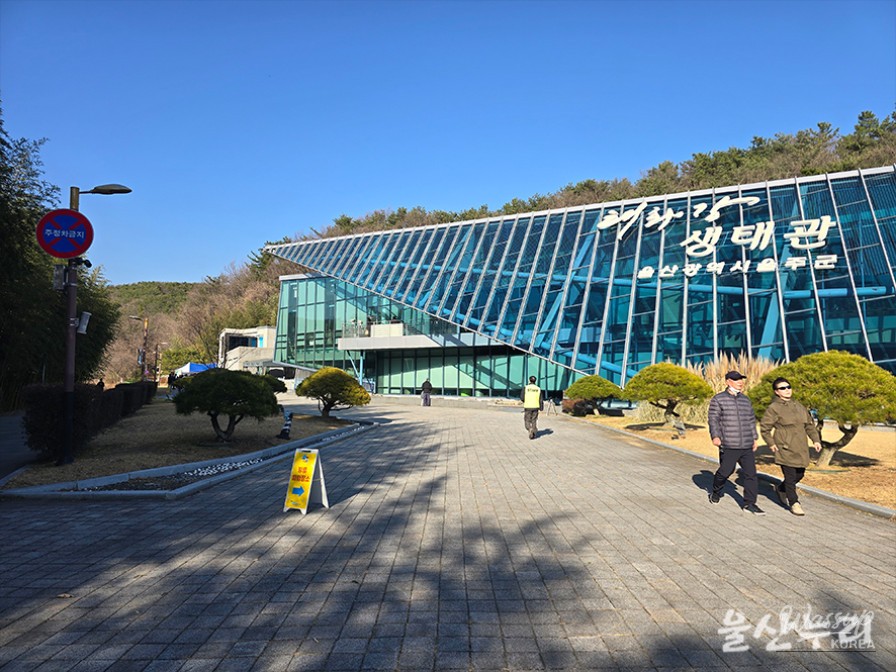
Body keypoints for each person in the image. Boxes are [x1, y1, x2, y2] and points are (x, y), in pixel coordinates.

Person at [759, 377, 821, 516]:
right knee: (791, 476)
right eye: (782, 388)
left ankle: (781, 488)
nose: (787, 390)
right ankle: (794, 503)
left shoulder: (799, 406)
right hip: (784, 446)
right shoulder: (774, 408)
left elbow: (809, 425)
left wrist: (815, 440)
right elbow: (765, 428)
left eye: (788, 387)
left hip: (801, 447)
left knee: (800, 474)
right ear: (776, 392)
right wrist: (771, 443)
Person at [707, 370, 763, 514]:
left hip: (746, 444)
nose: (740, 382)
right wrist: (715, 436)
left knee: (751, 474)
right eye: (736, 379)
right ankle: (716, 490)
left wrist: (754, 437)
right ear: (727, 382)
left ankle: (750, 504)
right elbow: (713, 420)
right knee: (725, 471)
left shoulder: (745, 400)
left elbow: (751, 420)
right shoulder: (718, 399)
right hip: (729, 444)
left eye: (741, 380)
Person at [521, 376, 545, 440]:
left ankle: (529, 428)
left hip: (528, 406)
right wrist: (541, 407)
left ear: (529, 380)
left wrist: (525, 401)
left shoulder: (526, 388)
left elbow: (522, 398)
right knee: (534, 420)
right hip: (535, 406)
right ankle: (534, 431)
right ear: (535, 381)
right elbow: (541, 399)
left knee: (527, 419)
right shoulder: (538, 388)